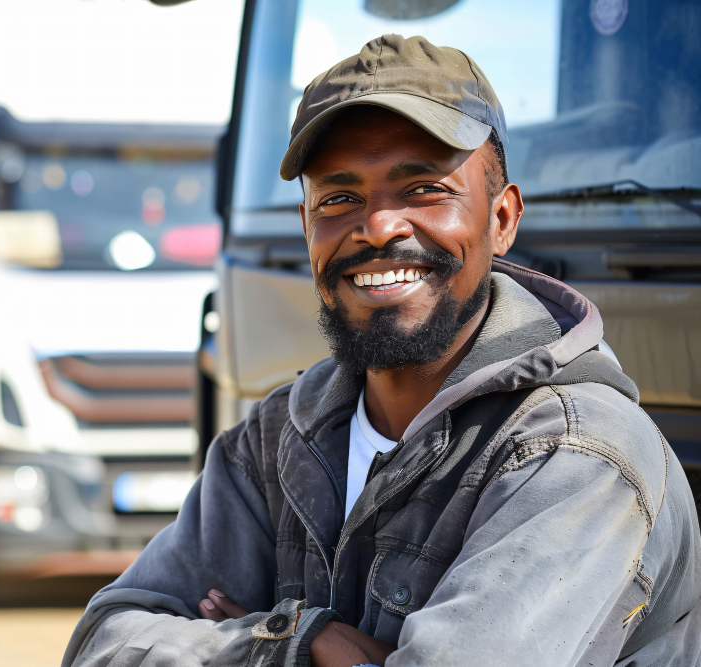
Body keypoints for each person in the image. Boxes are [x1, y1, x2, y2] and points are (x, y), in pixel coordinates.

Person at [63, 34, 701, 667]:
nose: (377, 227)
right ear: (309, 229)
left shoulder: (578, 453)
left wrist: (230, 644)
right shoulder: (277, 438)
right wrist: (299, 645)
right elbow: (103, 644)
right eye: (340, 199)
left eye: (424, 188)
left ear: (502, 220)